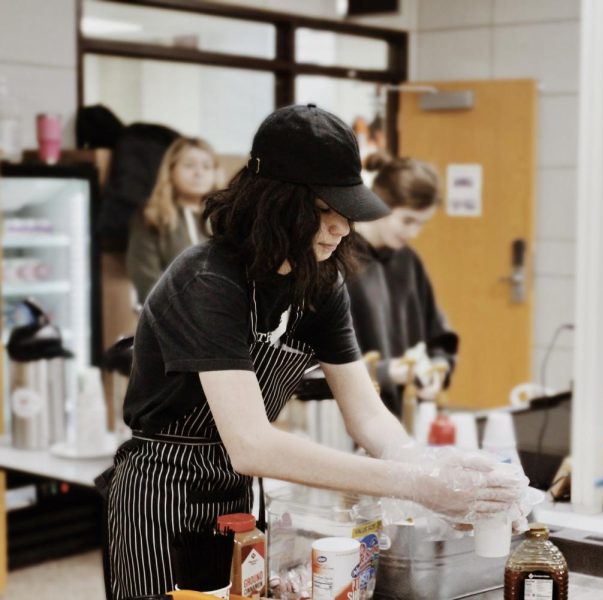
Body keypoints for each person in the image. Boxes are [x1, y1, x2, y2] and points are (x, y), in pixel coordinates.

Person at [102, 105, 523, 599]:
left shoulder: (320, 282)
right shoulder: (206, 281)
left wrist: (423, 465)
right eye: (325, 211)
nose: (342, 228)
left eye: (347, 213)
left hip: (238, 499)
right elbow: (252, 444)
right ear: (274, 203)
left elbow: (366, 414)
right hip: (161, 495)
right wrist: (409, 482)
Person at [347, 152, 457, 416]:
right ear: (378, 204)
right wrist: (384, 372)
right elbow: (316, 363)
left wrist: (438, 369)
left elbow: (438, 337)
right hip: (351, 419)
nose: (414, 233)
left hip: (406, 415)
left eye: (422, 223)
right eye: (407, 220)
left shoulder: (408, 261)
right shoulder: (338, 260)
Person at [126, 136, 218, 304]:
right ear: (171, 170)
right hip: (171, 320)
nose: (199, 173)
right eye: (189, 165)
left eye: (207, 166)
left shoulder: (225, 219)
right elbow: (146, 281)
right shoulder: (151, 218)